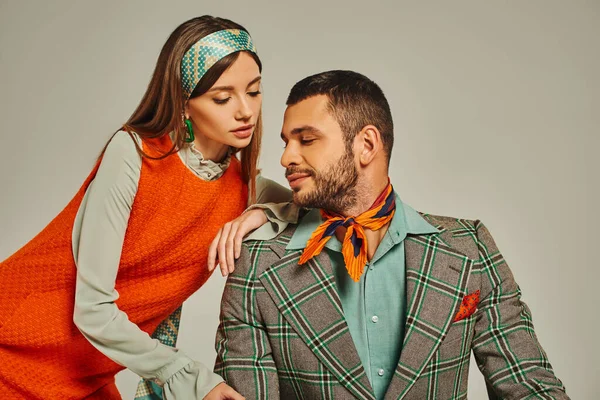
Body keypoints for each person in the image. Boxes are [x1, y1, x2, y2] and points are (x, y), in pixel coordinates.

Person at [214, 70, 569, 399]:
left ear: (367, 145)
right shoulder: (256, 266)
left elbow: (529, 383)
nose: (286, 157)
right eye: (286, 141)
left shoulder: (469, 247)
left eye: (306, 139)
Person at [0, 15, 292, 400]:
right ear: (184, 104)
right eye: (222, 97)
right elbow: (93, 310)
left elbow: (303, 203)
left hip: (83, 376)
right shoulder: (134, 154)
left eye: (254, 91)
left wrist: (258, 212)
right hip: (11, 345)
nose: (245, 111)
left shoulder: (242, 188)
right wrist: (193, 380)